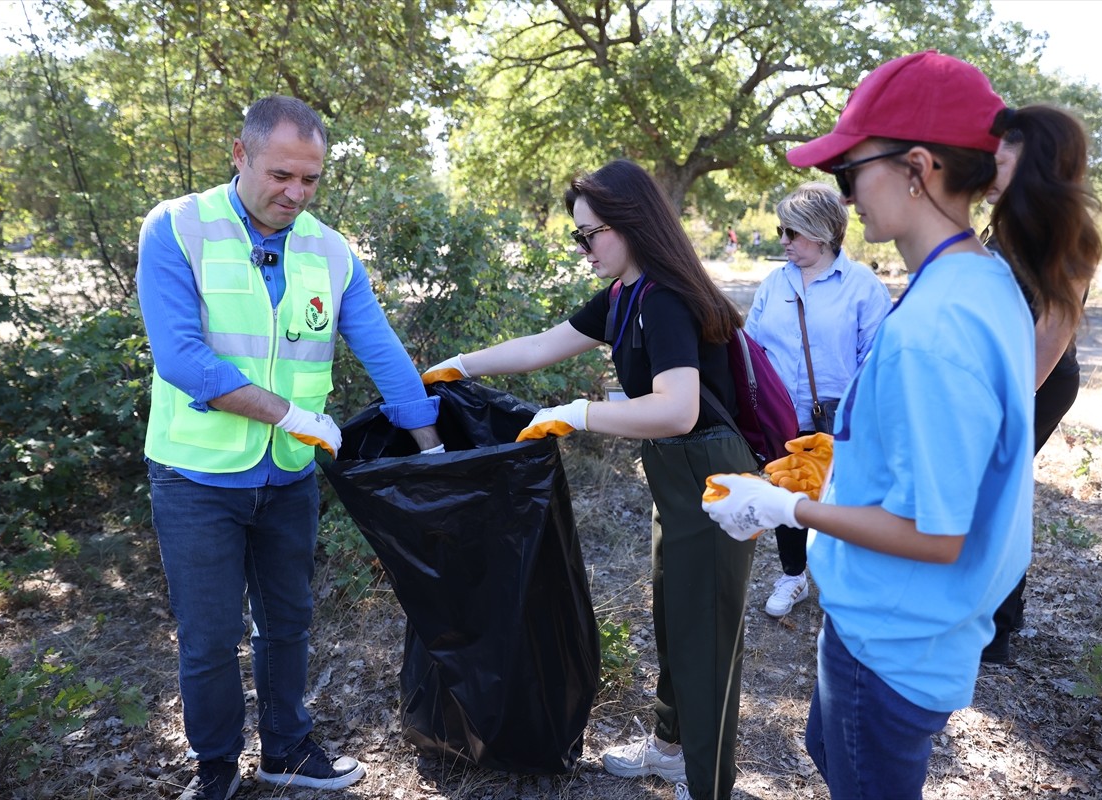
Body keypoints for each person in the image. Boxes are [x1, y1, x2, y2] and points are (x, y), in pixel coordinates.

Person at [701, 51, 1100, 798]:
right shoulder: (978, 280)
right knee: (830, 745)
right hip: (903, 623)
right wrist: (850, 460)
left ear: (917, 167)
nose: (845, 196)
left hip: (891, 639)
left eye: (851, 172)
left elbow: (935, 534)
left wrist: (783, 506)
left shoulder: (934, 327)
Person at [137, 95, 443, 800]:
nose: (295, 194)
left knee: (288, 621)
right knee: (210, 637)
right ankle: (215, 766)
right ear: (239, 154)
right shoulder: (179, 228)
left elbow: (382, 351)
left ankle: (287, 748)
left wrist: (431, 447)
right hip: (197, 476)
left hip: (287, 480)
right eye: (281, 175)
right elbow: (182, 358)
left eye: (310, 180)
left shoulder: (330, 251)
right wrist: (292, 417)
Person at [424, 159, 754, 800]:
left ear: (630, 224)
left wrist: (578, 413)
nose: (583, 249)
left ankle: (708, 786)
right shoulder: (625, 295)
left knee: (705, 637)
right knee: (672, 616)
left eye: (590, 234)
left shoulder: (663, 301)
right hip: (679, 479)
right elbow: (542, 345)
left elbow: (678, 408)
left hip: (712, 479)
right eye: (577, 236)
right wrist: (454, 366)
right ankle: (668, 747)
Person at [744, 182, 891, 618]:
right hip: (779, 411)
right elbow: (751, 347)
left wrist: (859, 416)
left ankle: (847, 586)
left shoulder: (862, 285)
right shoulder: (774, 282)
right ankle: (793, 577)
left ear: (823, 231)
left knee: (839, 501)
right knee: (789, 491)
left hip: (839, 416)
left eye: (792, 232)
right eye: (781, 231)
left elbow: (877, 358)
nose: (783, 241)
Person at [980, 128, 1098, 663]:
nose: (986, 166)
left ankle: (997, 628)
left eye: (999, 158)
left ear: (1030, 167)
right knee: (991, 491)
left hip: (1037, 381)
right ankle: (995, 611)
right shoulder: (1005, 223)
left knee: (1001, 492)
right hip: (997, 379)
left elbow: (1051, 338)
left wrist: (1004, 405)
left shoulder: (1069, 235)